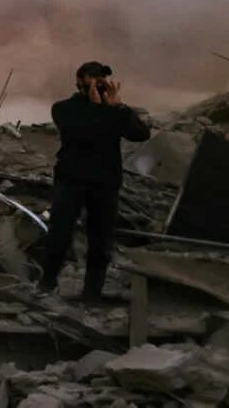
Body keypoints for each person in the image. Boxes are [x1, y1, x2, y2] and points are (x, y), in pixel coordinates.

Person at [38, 61, 151, 302]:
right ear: (79, 82)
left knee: (100, 241)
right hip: (72, 181)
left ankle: (92, 293)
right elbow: (83, 132)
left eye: (102, 80)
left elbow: (141, 134)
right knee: (60, 234)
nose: (98, 85)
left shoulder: (114, 111)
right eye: (93, 79)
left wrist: (119, 107)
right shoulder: (64, 109)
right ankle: (46, 284)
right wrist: (100, 109)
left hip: (105, 184)